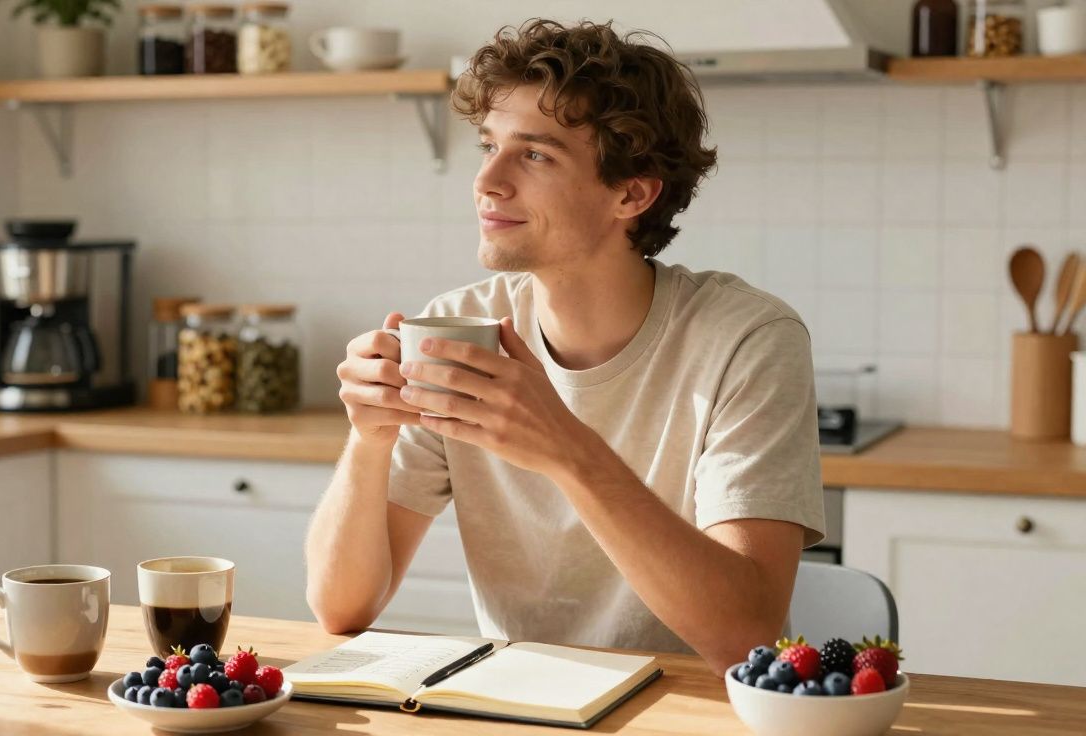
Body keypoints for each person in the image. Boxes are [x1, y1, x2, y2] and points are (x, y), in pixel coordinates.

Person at [304, 18, 824, 677]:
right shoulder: (457, 330)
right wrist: (369, 441)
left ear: (631, 193)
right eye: (489, 146)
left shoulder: (745, 339)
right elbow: (340, 609)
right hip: (522, 706)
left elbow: (746, 635)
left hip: (695, 710)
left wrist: (566, 450)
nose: (488, 180)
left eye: (535, 154)